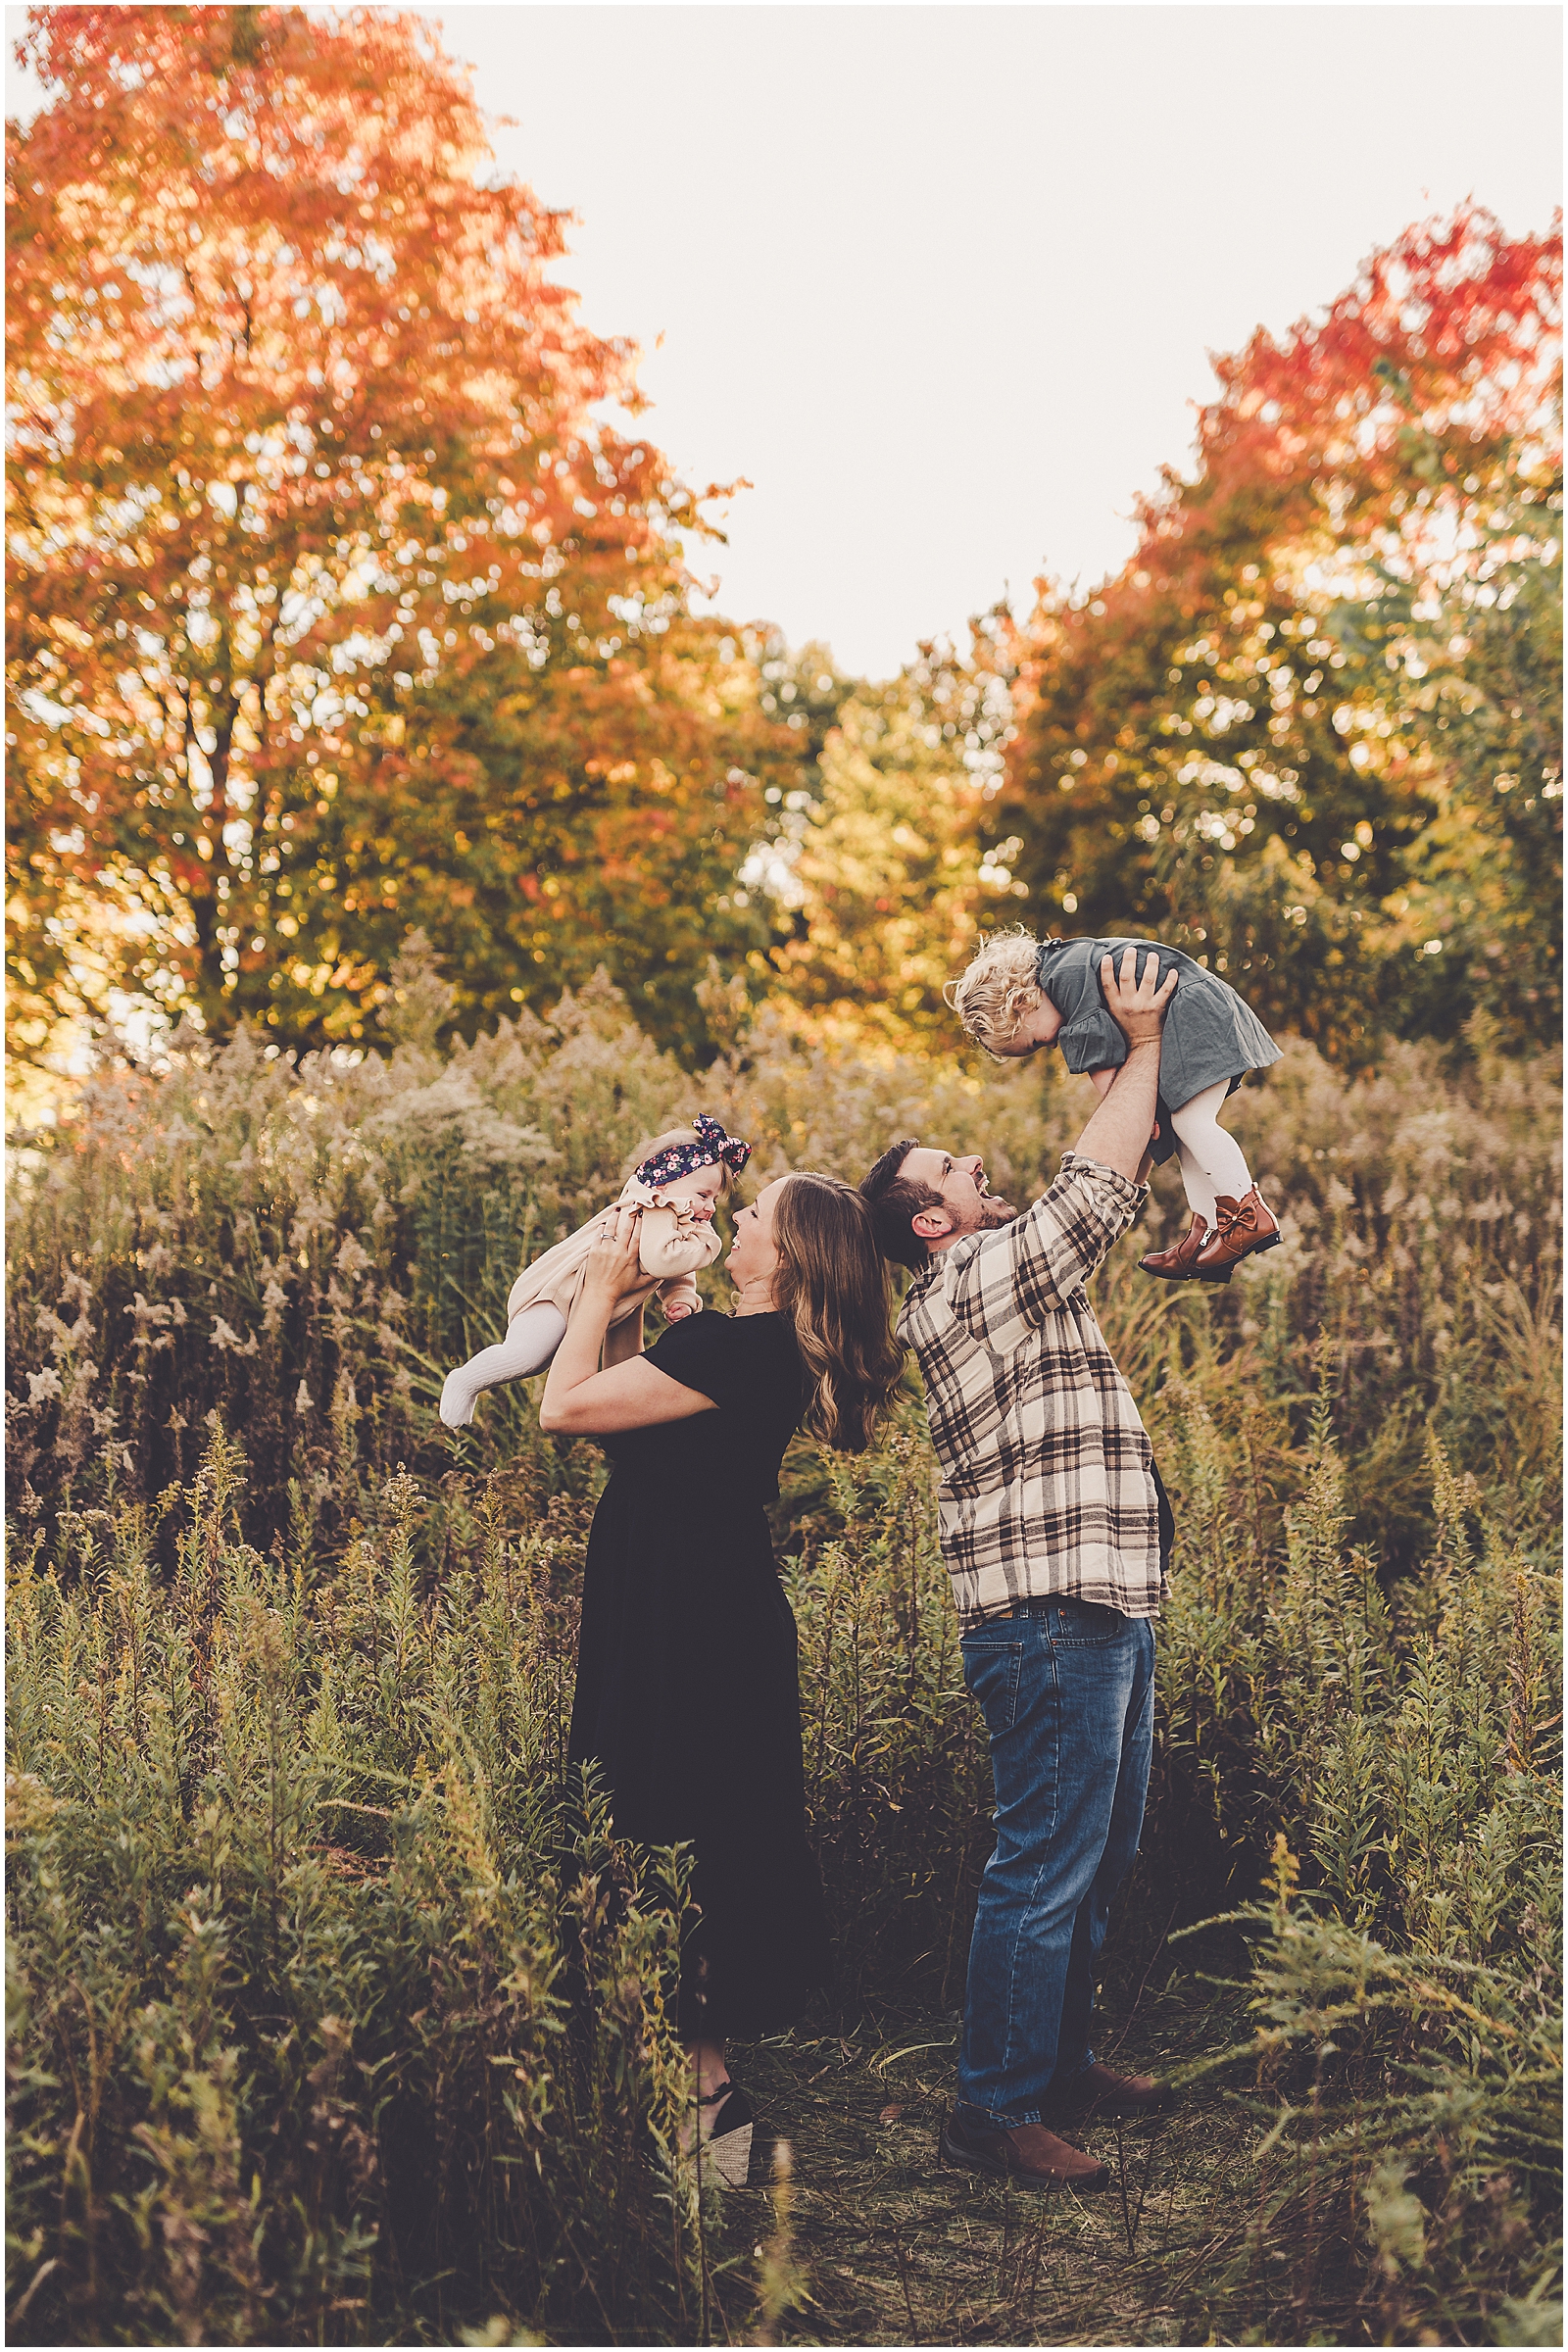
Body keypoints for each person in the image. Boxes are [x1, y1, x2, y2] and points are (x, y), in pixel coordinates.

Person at [858, 947, 1179, 2194]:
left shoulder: (1003, 1273)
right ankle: (988, 2113)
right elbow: (1092, 1193)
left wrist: (1139, 1073)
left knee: (1093, 1855)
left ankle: (1053, 2064)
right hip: (1044, 1618)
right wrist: (1141, 1042)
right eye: (951, 1169)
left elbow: (1115, 1167)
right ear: (929, 1221)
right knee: (1044, 1860)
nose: (974, 1164)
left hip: (1097, 1602)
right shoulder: (963, 1285)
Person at [539, 1167, 904, 2186]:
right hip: (703, 1599)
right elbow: (618, 1411)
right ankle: (692, 2082)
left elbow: (563, 1411)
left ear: (780, 1258)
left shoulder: (732, 1347)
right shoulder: (748, 1350)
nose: (732, 1220)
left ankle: (701, 2100)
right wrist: (632, 1319)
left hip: (679, 1609)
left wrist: (603, 1285)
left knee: (663, 1813)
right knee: (694, 1817)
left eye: (753, 1216)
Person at [947, 927, 1283, 1284]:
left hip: (1196, 1015)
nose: (1050, 1046)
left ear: (1020, 1005)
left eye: (1034, 1043)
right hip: (1195, 1015)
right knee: (1185, 1131)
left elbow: (1101, 1058)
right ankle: (1207, 1232)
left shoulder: (1065, 977)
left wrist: (1135, 1113)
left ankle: (1249, 1216)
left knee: (1191, 1122)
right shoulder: (1063, 968)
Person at [439, 1115, 752, 1427]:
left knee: (543, 1360)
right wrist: (709, 1241)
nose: (710, 1207)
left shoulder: (675, 1217)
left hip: (585, 1300)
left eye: (714, 1198)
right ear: (666, 1182)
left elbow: (675, 1270)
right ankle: (463, 1381)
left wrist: (679, 1296)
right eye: (702, 1195)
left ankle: (467, 1384)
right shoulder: (657, 1207)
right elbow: (662, 1261)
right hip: (560, 1295)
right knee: (527, 1357)